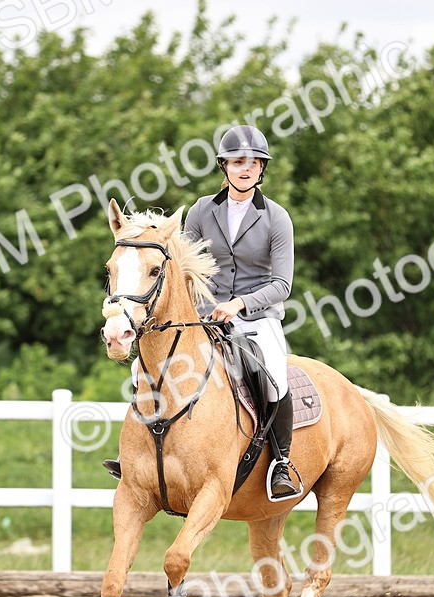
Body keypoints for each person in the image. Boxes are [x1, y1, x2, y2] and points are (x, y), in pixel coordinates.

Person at [104, 124, 300, 500]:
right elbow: (179, 265)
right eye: (237, 161)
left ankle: (281, 462)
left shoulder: (277, 218)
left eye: (254, 163)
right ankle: (136, 453)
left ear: (262, 170)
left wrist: (240, 304)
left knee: (274, 370)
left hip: (256, 317)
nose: (246, 169)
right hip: (203, 316)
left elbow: (282, 285)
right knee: (139, 366)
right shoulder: (200, 210)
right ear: (223, 167)